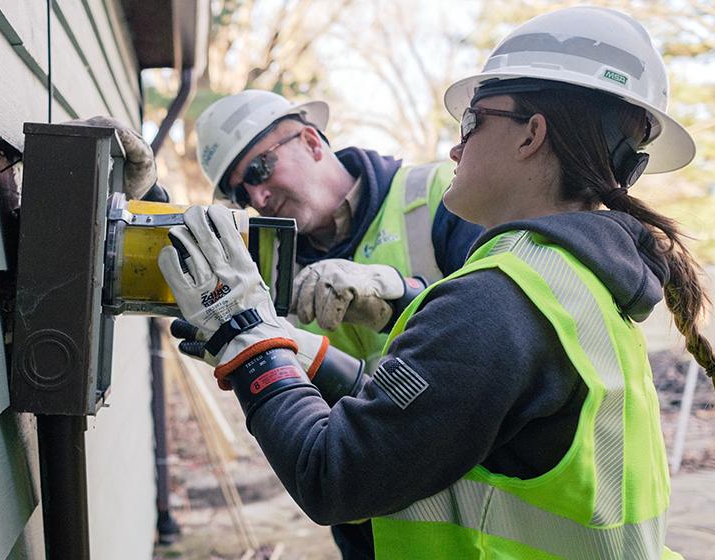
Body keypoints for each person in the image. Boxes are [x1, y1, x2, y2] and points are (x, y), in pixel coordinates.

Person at [158, 6, 715, 559]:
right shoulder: (576, 280)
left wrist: (249, 342)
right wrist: (298, 349)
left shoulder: (497, 298)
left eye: (471, 123)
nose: (454, 147)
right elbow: (444, 408)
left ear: (532, 136)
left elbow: (333, 475)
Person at [190, 91, 482, 557]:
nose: (258, 197)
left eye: (259, 172)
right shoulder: (264, 269)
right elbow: (186, 261)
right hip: (366, 514)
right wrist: (147, 198)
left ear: (309, 140)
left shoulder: (438, 196)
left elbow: (504, 317)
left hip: (468, 497)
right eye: (240, 193)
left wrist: (402, 294)